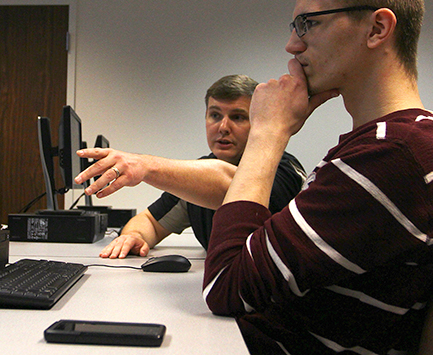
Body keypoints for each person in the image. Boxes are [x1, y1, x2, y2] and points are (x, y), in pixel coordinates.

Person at [202, 0, 433, 355]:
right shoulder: (391, 145)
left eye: (308, 23)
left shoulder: (394, 156)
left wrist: (268, 134)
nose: (293, 45)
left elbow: (226, 286)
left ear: (378, 29)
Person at [98, 74, 306, 259]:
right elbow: (150, 222)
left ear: (257, 122)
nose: (223, 127)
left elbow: (236, 188)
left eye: (238, 117)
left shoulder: (284, 169)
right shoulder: (197, 177)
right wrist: (133, 237)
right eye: (215, 115)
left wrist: (146, 166)